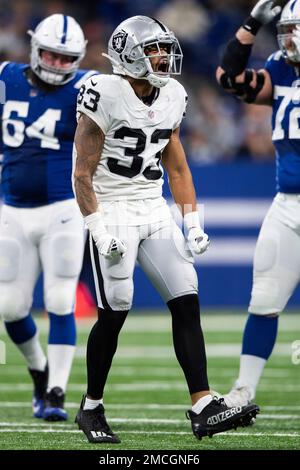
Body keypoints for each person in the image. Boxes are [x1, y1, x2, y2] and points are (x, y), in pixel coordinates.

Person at [72, 15, 258, 443]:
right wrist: (98, 229)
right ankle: (91, 407)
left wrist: (191, 221)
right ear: (128, 54)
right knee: (115, 309)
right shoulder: (105, 92)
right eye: (152, 49)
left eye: (163, 48)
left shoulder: (172, 93)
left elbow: (176, 163)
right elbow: (81, 173)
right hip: (111, 205)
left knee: (186, 295)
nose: (162, 57)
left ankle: (203, 404)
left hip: (151, 205)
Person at [0, 14, 96, 421]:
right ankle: (39, 370)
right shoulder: (6, 77)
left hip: (62, 208)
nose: (57, 65)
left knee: (60, 297)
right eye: (51, 56)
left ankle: (56, 391)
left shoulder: (89, 87)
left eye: (65, 58)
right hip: (11, 209)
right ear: (35, 48)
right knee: (9, 306)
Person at [216, 0, 300, 407]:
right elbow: (228, 79)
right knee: (264, 297)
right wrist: (251, 26)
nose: (290, 38)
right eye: (286, 30)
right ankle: (243, 389)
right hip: (287, 203)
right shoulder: (282, 69)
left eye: (297, 29)